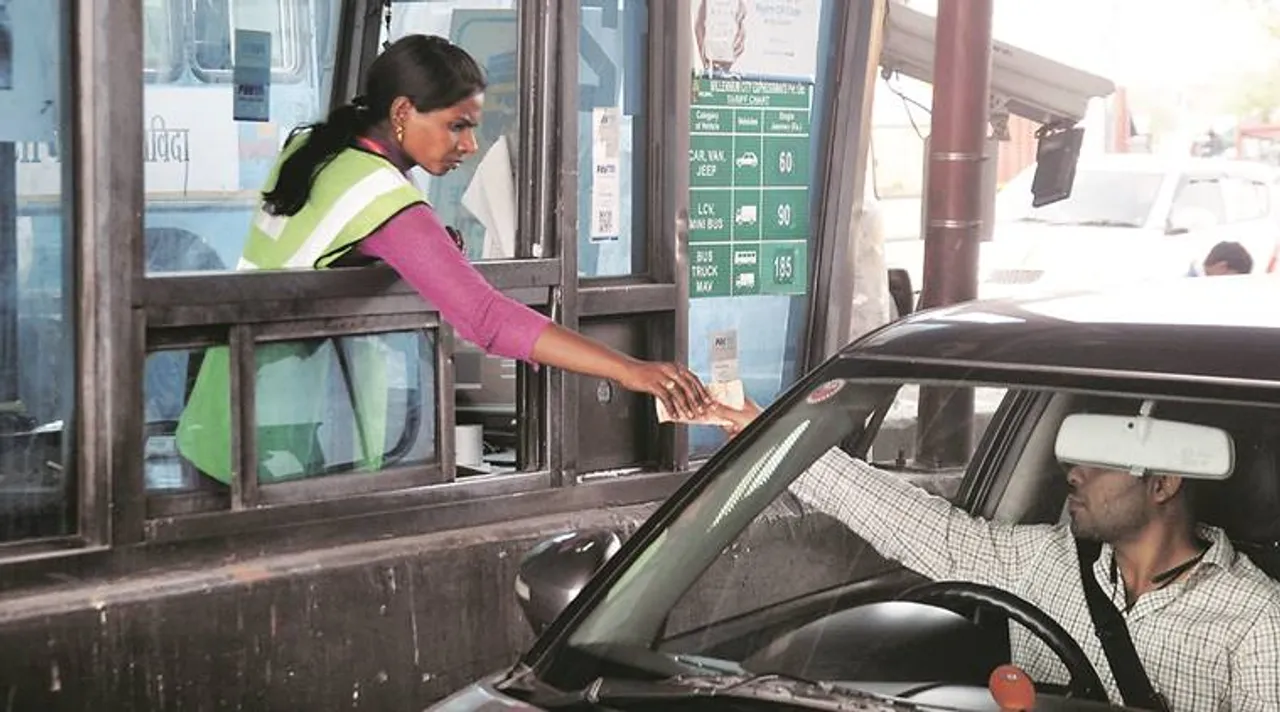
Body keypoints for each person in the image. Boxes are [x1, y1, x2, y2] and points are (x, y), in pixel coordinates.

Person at [176, 35, 711, 484]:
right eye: (458, 125)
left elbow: (316, 258)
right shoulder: (384, 199)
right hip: (274, 446)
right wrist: (627, 368)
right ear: (403, 111)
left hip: (215, 423)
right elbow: (485, 319)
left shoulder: (314, 152)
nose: (471, 144)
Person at [710, 398, 1280, 710]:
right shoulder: (1044, 560)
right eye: (1073, 454)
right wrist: (783, 444)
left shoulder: (1256, 620)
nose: (1072, 473)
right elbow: (922, 528)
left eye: (1097, 461)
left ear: (1163, 485)